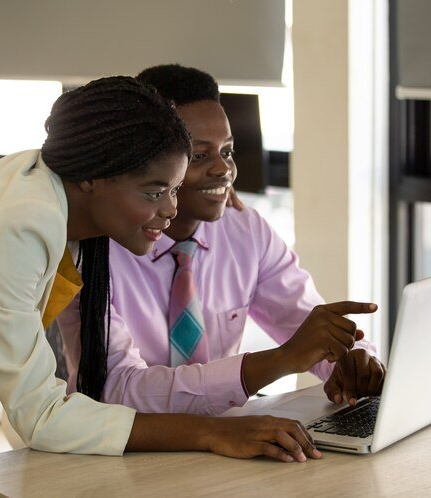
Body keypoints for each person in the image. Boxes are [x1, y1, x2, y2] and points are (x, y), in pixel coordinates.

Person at [0, 76, 325, 498]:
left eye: (175, 189)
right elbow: (39, 415)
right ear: (91, 178)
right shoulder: (20, 224)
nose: (169, 209)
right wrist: (208, 432)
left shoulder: (66, 213)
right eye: (153, 191)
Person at [57, 65, 385, 416]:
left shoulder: (244, 231)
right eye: (198, 156)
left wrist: (351, 361)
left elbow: (307, 327)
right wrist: (278, 361)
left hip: (223, 439)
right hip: (124, 445)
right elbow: (114, 390)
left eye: (227, 151)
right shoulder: (90, 247)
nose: (223, 170)